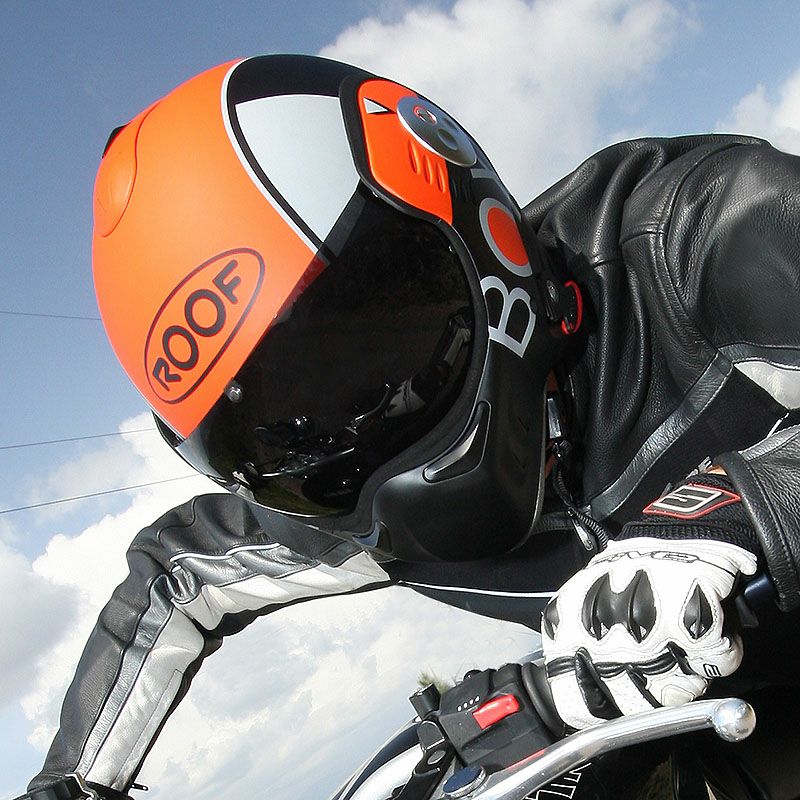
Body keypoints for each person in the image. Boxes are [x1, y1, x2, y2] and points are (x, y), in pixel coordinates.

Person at [18, 54, 800, 800]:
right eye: (292, 436)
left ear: (475, 230)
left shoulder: (695, 235)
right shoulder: (342, 505)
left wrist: (729, 508)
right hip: (716, 722)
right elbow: (174, 572)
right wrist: (68, 784)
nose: (362, 431)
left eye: (381, 346)